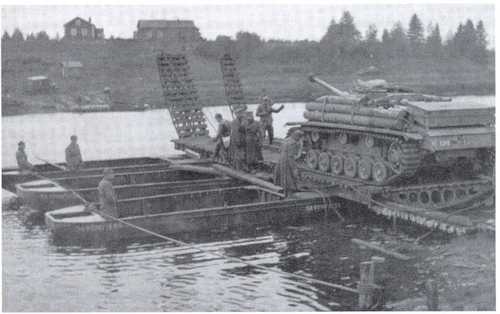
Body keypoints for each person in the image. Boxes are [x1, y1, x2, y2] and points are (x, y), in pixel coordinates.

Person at [274, 130, 304, 197]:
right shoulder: (294, 143)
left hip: (281, 159)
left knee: (282, 175)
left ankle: (283, 190)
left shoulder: (286, 140)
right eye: (299, 137)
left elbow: (279, 150)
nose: (299, 139)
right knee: (291, 174)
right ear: (297, 136)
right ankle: (290, 191)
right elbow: (294, 155)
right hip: (288, 160)